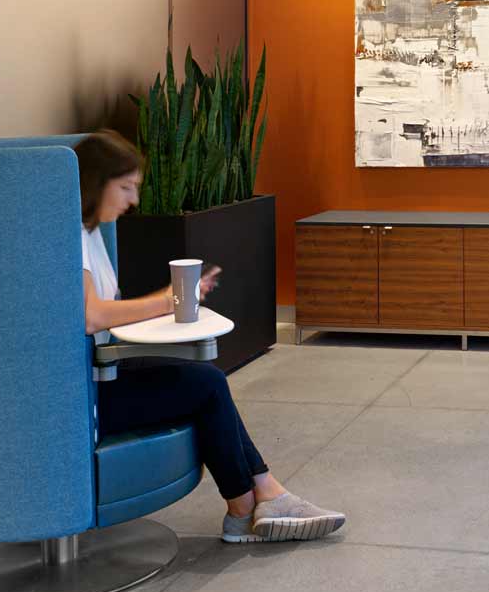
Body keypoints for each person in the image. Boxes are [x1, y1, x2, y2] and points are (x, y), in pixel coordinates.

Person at [74, 129, 346, 544]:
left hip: (98, 375)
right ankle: (249, 505)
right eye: (126, 187)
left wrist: (176, 301)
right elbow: (92, 316)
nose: (132, 200)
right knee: (207, 385)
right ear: (96, 184)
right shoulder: (71, 237)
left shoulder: (90, 233)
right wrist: (168, 301)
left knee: (205, 380)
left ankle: (261, 497)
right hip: (80, 403)